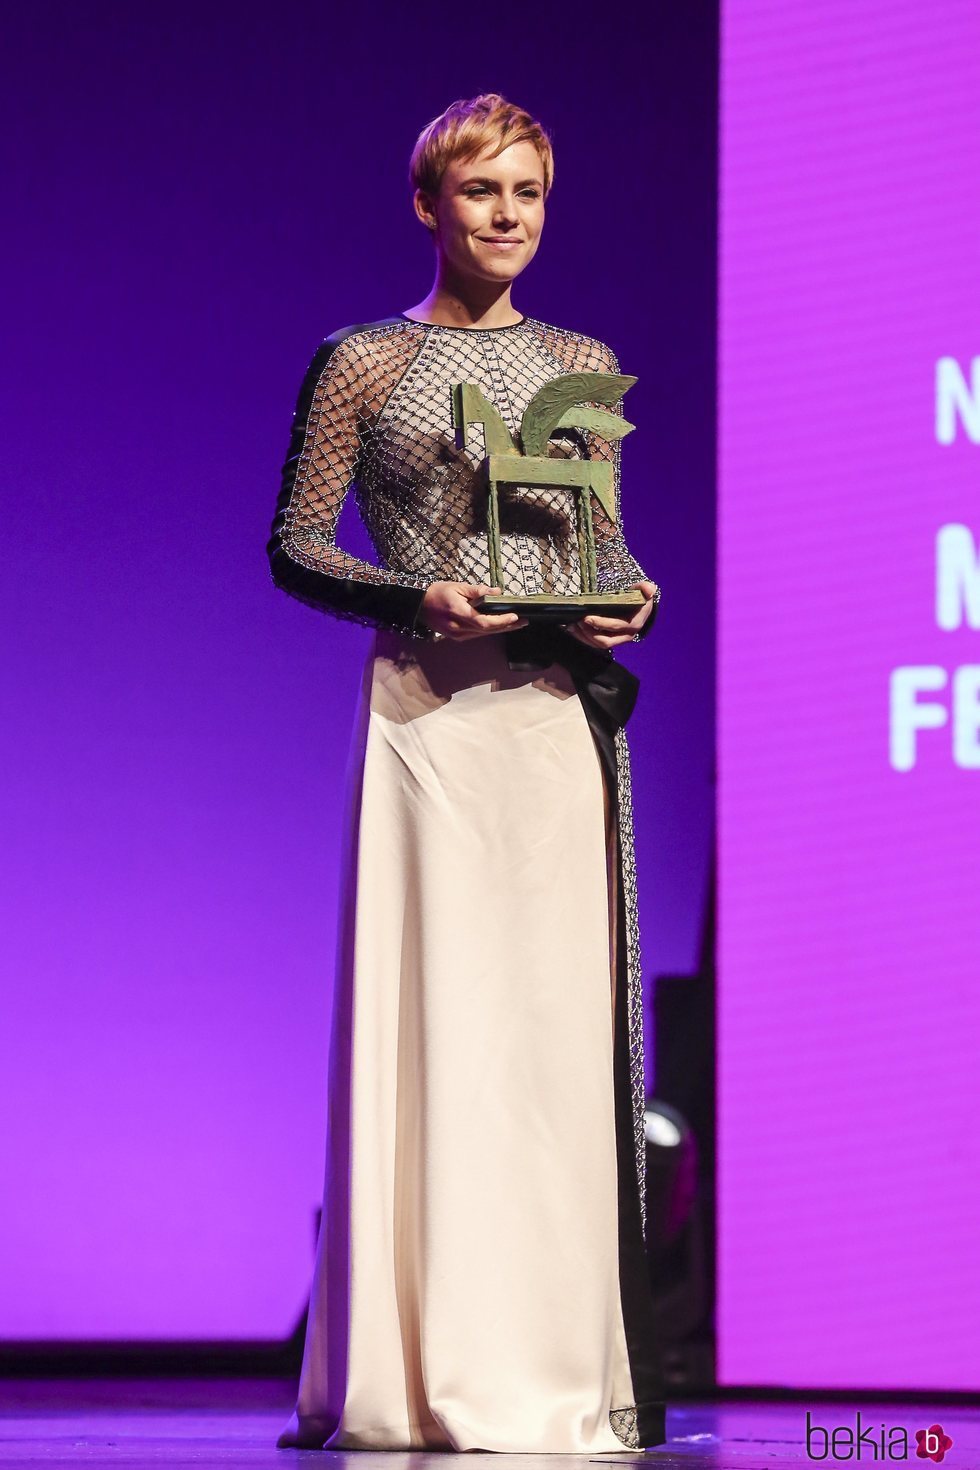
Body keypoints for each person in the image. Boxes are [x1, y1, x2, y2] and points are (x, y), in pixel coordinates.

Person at [268, 91, 666, 1454]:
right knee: (445, 1033)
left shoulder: (581, 360)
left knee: (549, 1051)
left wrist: (631, 600)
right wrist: (411, 594)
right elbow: (297, 543)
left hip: (552, 727)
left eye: (530, 195)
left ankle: (552, 1363)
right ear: (429, 205)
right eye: (482, 191)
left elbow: (597, 547)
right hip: (431, 717)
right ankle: (420, 1362)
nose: (509, 216)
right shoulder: (367, 363)